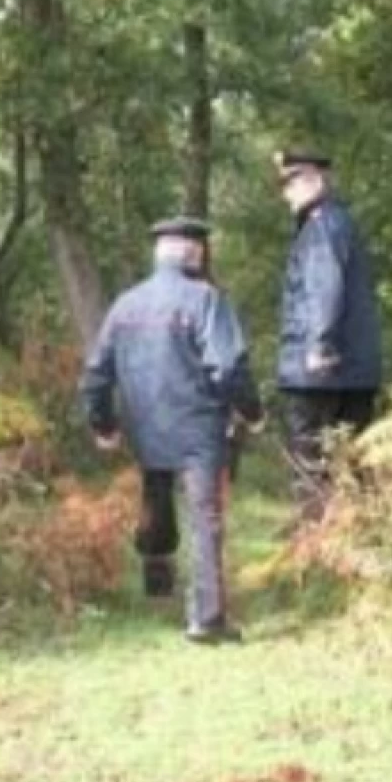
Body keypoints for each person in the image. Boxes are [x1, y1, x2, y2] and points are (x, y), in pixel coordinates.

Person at [80, 217, 264, 645]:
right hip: (198, 426)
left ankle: (158, 585)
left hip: (145, 426)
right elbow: (229, 365)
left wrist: (103, 423)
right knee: (206, 517)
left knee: (156, 499)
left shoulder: (125, 305)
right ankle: (207, 619)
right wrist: (251, 411)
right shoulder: (205, 300)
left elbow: (95, 373)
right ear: (195, 253)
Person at [274, 149, 383, 526]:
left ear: (314, 180)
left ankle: (317, 552)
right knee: (354, 463)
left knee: (312, 464)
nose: (285, 193)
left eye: (290, 182)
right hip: (354, 371)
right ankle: (363, 546)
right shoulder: (341, 222)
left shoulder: (321, 226)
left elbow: (324, 286)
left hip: (320, 370)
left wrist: (319, 344)